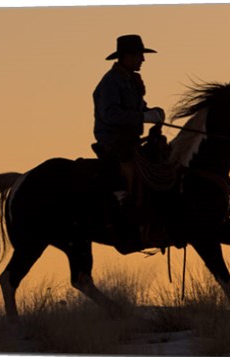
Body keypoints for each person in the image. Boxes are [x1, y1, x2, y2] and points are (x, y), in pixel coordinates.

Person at [93, 34, 165, 246]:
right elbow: (111, 115)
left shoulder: (129, 80)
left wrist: (151, 112)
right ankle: (127, 210)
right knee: (132, 172)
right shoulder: (110, 83)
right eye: (139, 55)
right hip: (113, 140)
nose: (143, 60)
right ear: (126, 57)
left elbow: (137, 108)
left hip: (130, 139)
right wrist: (144, 117)